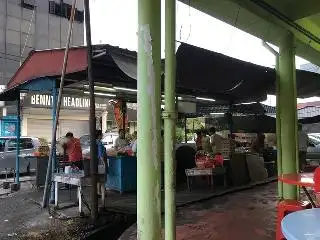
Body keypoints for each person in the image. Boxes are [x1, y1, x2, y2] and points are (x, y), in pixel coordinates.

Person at [96, 130, 108, 196]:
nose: (102, 136)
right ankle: (101, 193)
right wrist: (104, 163)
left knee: (98, 178)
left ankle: (98, 192)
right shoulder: (99, 143)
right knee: (102, 179)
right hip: (101, 162)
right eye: (101, 135)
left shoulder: (95, 142)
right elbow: (101, 155)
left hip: (97, 162)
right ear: (99, 135)